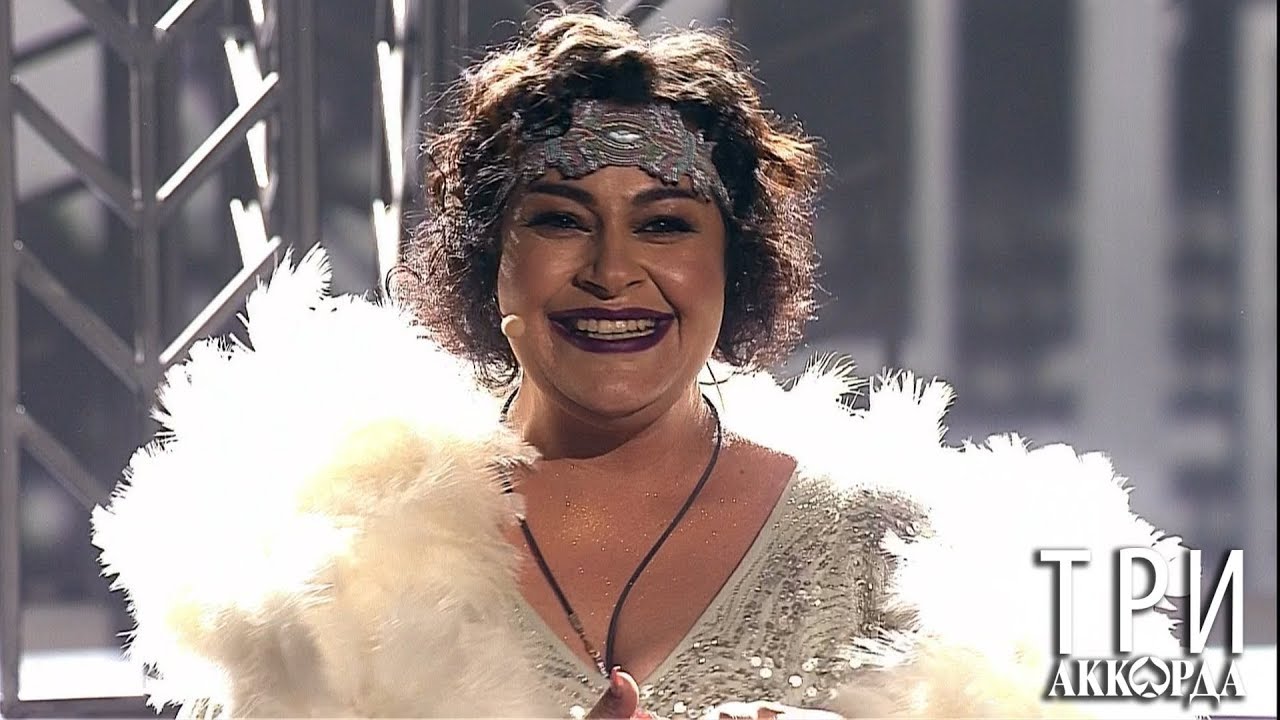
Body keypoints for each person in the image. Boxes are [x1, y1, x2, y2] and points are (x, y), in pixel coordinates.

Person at [92, 11, 1190, 719]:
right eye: (560, 220)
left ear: (732, 266)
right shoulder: (337, 554)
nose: (612, 272)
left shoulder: (888, 545)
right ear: (489, 261)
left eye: (665, 225)